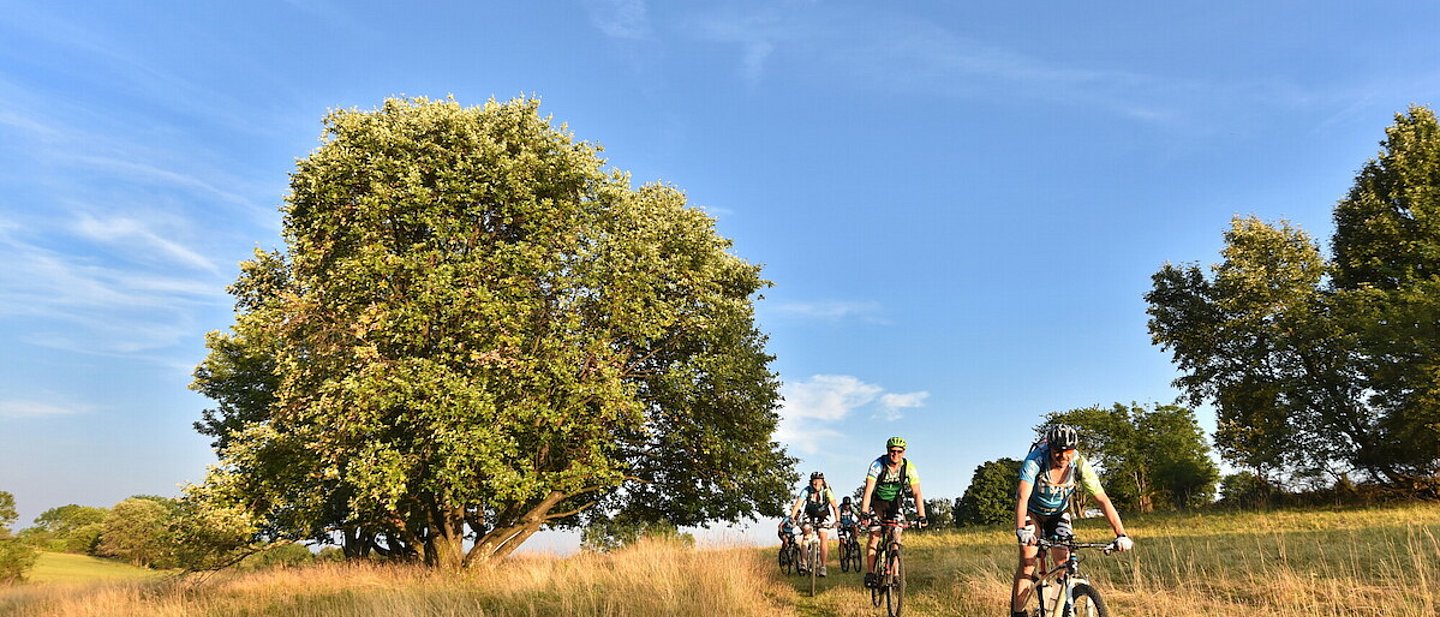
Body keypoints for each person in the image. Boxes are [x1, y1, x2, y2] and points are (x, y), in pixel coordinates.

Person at [1010, 425, 1134, 617]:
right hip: (1033, 513)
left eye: (1068, 450)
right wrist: (1021, 530)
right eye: (1057, 450)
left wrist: (1121, 534)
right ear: (1049, 447)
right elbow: (1022, 497)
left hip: (1059, 513)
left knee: (1064, 560)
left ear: (1074, 449)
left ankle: (1061, 605)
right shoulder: (1035, 461)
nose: (1063, 455)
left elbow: (1102, 499)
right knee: (1028, 561)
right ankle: (1018, 613)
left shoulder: (1080, 465)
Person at [859, 436, 926, 588]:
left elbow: (917, 493)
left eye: (899, 451)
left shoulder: (909, 467)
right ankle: (870, 573)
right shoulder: (877, 465)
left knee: (896, 537)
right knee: (875, 535)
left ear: (903, 452)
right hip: (877, 503)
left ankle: (895, 575)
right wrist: (864, 512)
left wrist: (921, 515)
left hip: (895, 504)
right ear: (887, 451)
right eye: (892, 451)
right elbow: (868, 490)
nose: (895, 454)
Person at [789, 471, 840, 576]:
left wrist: (837, 521)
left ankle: (823, 566)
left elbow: (835, 506)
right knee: (806, 534)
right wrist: (792, 517)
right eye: (814, 481)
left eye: (819, 481)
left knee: (823, 536)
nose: (817, 483)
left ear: (822, 482)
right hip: (809, 514)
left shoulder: (826, 491)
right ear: (811, 482)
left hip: (823, 515)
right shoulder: (806, 491)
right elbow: (798, 504)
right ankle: (803, 563)